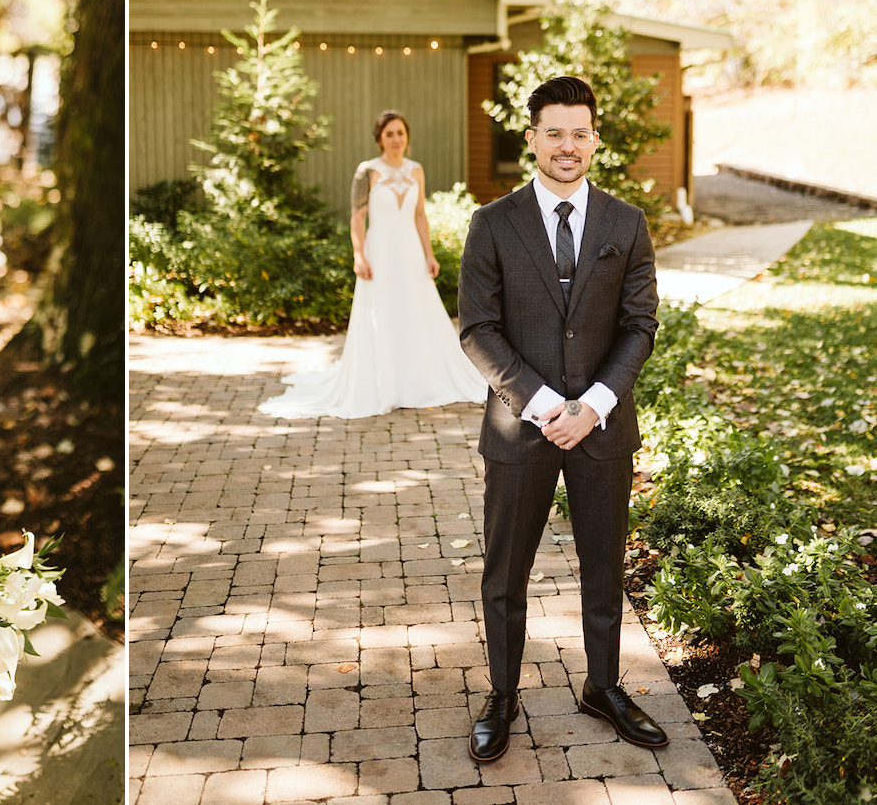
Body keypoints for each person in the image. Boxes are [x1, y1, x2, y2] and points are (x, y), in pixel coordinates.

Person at [457, 74, 665, 763]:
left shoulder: (626, 224)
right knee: (504, 572)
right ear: (531, 140)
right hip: (522, 427)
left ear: (595, 139)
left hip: (603, 429)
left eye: (580, 133)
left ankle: (602, 686)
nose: (567, 146)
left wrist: (594, 406)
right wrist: (548, 407)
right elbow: (478, 329)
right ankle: (502, 694)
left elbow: (640, 325)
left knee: (604, 568)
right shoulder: (492, 224)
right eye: (554, 133)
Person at [259, 110, 487, 420]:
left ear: (407, 137)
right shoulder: (366, 171)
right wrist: (359, 255)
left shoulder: (416, 170)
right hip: (379, 252)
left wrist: (429, 254)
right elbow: (356, 217)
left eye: (400, 133)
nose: (396, 139)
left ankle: (417, 379)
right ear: (380, 138)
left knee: (415, 312)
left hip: (409, 253)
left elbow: (420, 215)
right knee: (380, 312)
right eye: (389, 134)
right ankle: (383, 382)